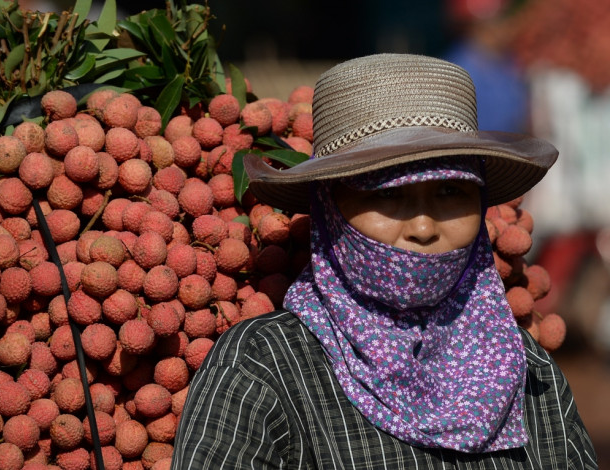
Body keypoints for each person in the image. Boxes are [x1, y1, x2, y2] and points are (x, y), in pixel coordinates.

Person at [170, 54, 598, 468]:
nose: (424, 227)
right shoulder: (266, 366)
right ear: (328, 207)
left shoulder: (524, 369)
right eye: (387, 194)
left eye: (451, 192)